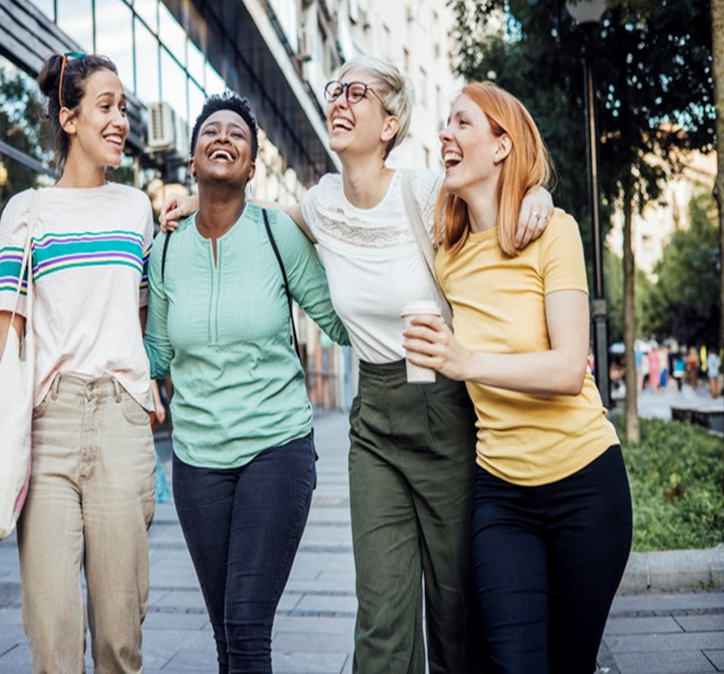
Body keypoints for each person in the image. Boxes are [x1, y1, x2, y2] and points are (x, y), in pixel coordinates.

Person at [162, 56, 555, 673]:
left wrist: (537, 192)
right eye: (335, 91)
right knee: (380, 614)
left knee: (454, 609)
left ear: (391, 123)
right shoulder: (319, 205)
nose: (339, 102)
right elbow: (248, 220)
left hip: (444, 408)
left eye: (357, 94)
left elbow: (495, 194)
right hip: (374, 418)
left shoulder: (426, 193)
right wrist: (196, 200)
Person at [404, 81, 632, 674]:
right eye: (445, 126)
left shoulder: (554, 231)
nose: (444, 137)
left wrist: (465, 362)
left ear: (502, 145)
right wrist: (210, 201)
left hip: (587, 484)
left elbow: (566, 367)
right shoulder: (446, 250)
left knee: (570, 663)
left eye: (461, 124)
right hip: (502, 497)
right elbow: (360, 206)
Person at [0, 52, 161, 674]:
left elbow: (141, 312)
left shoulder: (137, 210)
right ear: (68, 118)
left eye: (123, 108)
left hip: (122, 421)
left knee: (121, 641)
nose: (120, 119)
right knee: (53, 639)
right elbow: (1, 331)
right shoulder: (28, 212)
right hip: (49, 424)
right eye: (106, 106)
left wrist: (147, 384)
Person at [143, 92, 349, 673]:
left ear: (253, 167)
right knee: (225, 637)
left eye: (238, 134)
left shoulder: (276, 232)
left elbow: (335, 318)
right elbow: (156, 351)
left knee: (246, 627)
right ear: (192, 159)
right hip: (197, 462)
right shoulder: (164, 250)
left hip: (275, 449)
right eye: (212, 130)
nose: (224, 138)